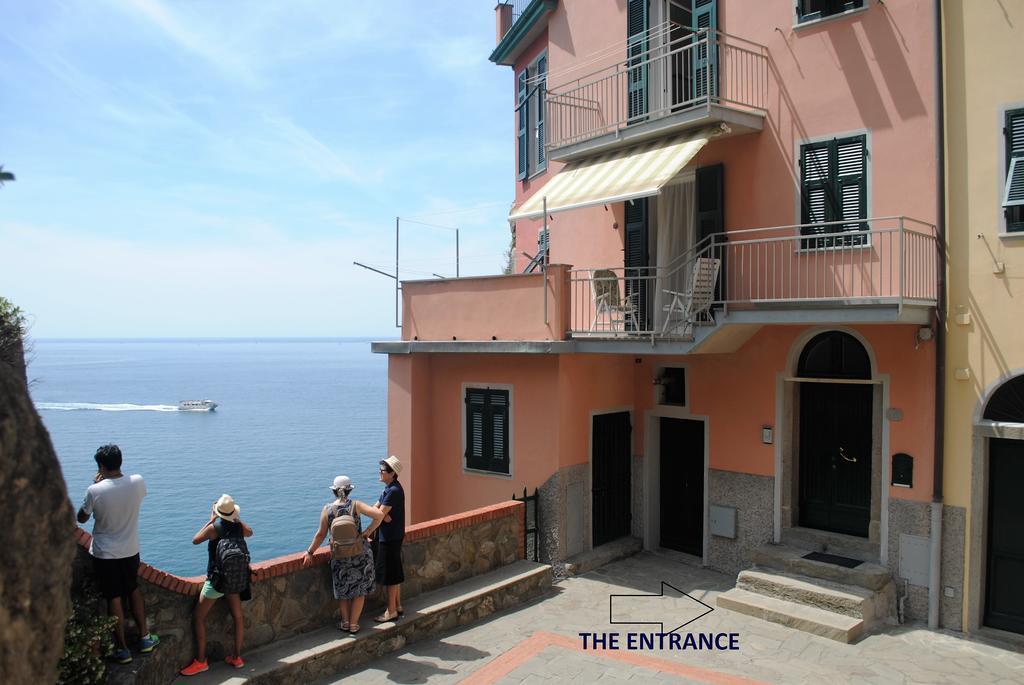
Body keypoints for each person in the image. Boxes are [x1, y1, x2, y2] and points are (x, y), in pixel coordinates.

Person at [77, 444, 159, 664]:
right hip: (131, 549)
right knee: (133, 589)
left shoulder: (95, 490)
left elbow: (81, 518)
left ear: (101, 466)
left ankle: (122, 649)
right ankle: (145, 638)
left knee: (113, 597)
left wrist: (97, 484)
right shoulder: (138, 482)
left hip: (105, 553)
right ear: (120, 461)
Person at [179, 495, 253, 676]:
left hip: (217, 582)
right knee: (238, 617)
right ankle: (237, 657)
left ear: (218, 513)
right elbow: (250, 532)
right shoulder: (239, 527)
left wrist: (210, 520)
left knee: (198, 618)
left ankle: (201, 661)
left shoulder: (215, 528)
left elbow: (195, 540)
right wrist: (235, 518)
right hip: (235, 580)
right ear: (233, 512)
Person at [302, 475, 384, 634]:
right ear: (349, 490)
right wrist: (367, 532)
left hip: (339, 555)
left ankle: (345, 623)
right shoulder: (356, 505)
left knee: (343, 590)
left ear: (334, 491)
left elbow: (320, 534)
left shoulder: (327, 510)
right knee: (359, 589)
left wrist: (310, 552)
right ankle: (354, 624)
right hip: (359, 553)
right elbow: (379, 515)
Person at [372, 455, 405, 623]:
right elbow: (376, 511)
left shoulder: (393, 491)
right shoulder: (388, 489)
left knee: (390, 576)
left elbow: (378, 514)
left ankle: (390, 611)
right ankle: (398, 606)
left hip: (390, 538)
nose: (380, 472)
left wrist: (366, 533)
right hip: (392, 536)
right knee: (395, 572)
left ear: (392, 474)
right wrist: (382, 515)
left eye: (383, 470)